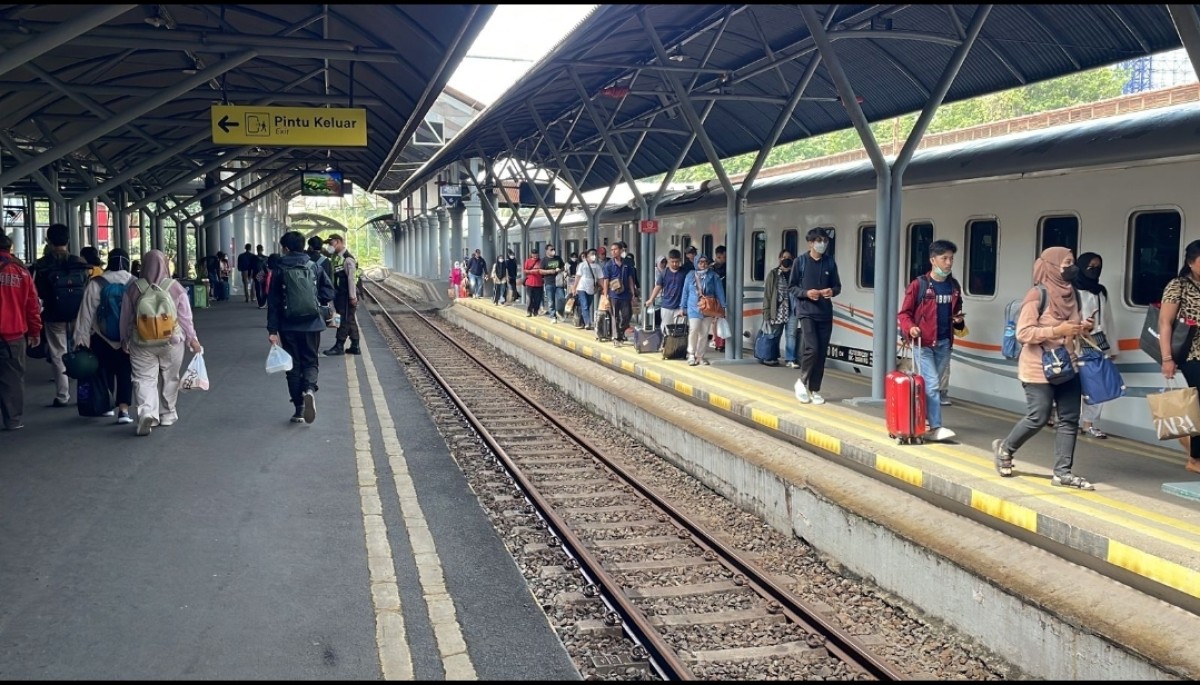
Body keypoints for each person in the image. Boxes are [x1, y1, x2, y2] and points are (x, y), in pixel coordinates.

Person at [992, 246, 1094, 489]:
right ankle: (1005, 448)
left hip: (1067, 366)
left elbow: (1072, 327)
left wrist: (1083, 328)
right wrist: (1057, 331)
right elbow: (1024, 333)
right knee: (1039, 416)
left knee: (1069, 419)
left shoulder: (1074, 294)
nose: (1072, 268)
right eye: (1066, 263)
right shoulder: (1037, 295)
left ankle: (1063, 473)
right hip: (1038, 368)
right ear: (1051, 266)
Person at [120, 249, 202, 437]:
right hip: (171, 341)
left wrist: (125, 339)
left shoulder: (134, 288)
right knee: (170, 377)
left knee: (143, 378)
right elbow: (185, 318)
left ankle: (147, 412)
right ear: (165, 264)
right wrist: (193, 339)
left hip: (141, 341)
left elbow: (125, 318)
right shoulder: (175, 287)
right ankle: (168, 414)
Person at [897, 239, 964, 443]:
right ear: (932, 260)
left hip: (944, 343)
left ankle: (921, 420)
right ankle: (935, 426)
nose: (949, 263)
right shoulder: (919, 285)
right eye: (944, 258)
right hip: (923, 344)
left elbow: (956, 311)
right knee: (933, 384)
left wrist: (959, 321)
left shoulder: (953, 286)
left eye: (951, 258)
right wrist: (911, 328)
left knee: (934, 385)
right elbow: (904, 314)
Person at [268, 231, 336, 424]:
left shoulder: (279, 268)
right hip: (313, 324)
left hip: (287, 325)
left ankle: (298, 408)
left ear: (286, 248)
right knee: (310, 361)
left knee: (292, 365)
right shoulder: (313, 266)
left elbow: (273, 301)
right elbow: (328, 291)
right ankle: (309, 389)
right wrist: (315, 301)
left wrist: (272, 331)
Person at [73, 248, 135, 424]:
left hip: (101, 337)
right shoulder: (134, 282)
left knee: (103, 370)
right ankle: (123, 411)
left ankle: (106, 406)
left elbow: (85, 314)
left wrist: (81, 340)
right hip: (126, 338)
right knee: (125, 372)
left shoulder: (96, 283)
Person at [33, 223, 90, 408]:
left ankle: (62, 395)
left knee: (58, 353)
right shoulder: (80, 263)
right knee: (81, 350)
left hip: (53, 314)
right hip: (77, 313)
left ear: (48, 241)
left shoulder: (42, 265)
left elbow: (38, 293)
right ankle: (84, 393)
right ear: (68, 240)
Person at [1158, 240, 1200, 474]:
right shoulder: (1178, 285)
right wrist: (1167, 358)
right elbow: (1165, 322)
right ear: (1190, 263)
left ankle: (1190, 444)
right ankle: (1194, 459)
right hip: (1191, 353)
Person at [789, 228, 841, 405]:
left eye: (825, 240)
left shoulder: (830, 263)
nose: (822, 244)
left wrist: (831, 291)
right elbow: (792, 287)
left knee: (821, 353)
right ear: (810, 243)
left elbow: (837, 286)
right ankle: (802, 382)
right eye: (818, 240)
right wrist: (806, 293)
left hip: (825, 313)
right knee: (812, 348)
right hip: (806, 312)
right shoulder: (800, 262)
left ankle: (814, 389)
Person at [0, 233, 42, 430]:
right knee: (13, 378)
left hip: (12, 332)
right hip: (13, 334)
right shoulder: (21, 272)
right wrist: (35, 331)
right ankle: (12, 420)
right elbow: (32, 305)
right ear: (9, 248)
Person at [1074, 251, 1117, 439]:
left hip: (1097, 342)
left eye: (1098, 266)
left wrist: (1112, 348)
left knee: (1096, 383)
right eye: (1090, 266)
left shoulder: (1101, 291)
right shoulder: (1072, 290)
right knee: (1071, 381)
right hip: (1076, 341)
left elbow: (1108, 320)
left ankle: (1088, 424)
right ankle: (1061, 417)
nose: (1094, 270)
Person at [680, 254, 727, 366]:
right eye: (700, 262)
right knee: (694, 330)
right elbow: (685, 292)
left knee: (704, 333)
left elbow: (719, 292)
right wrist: (682, 307)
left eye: (705, 262)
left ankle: (700, 356)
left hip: (708, 308)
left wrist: (723, 307)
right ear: (696, 263)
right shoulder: (690, 275)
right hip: (693, 307)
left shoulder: (713, 276)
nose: (703, 264)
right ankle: (691, 354)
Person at [323, 233, 361, 356]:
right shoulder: (336, 257)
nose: (330, 246)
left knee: (343, 320)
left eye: (331, 243)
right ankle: (355, 345)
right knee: (350, 319)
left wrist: (352, 296)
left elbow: (351, 279)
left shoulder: (347, 258)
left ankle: (339, 346)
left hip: (346, 295)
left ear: (339, 242)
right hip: (340, 294)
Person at [601, 241, 639, 347]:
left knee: (627, 315)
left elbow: (631, 279)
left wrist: (633, 294)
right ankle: (616, 338)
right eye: (612, 250)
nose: (613, 252)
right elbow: (606, 281)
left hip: (626, 294)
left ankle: (621, 332)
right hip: (613, 295)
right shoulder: (608, 265)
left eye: (615, 249)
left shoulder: (627, 263)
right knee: (615, 317)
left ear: (621, 250)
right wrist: (605, 296)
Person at [762, 250, 793, 367]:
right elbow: (768, 295)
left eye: (789, 257)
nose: (786, 259)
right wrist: (766, 312)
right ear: (779, 258)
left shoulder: (794, 274)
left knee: (791, 335)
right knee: (774, 334)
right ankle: (770, 357)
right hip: (777, 310)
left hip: (790, 310)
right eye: (784, 257)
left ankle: (790, 359)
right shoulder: (773, 274)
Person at [644, 250, 686, 336]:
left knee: (679, 329)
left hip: (680, 306)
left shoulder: (684, 273)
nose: (675, 264)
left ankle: (678, 347)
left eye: (677, 262)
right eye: (672, 262)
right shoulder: (664, 273)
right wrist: (651, 299)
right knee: (665, 328)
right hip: (666, 306)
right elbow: (658, 286)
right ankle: (665, 345)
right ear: (669, 260)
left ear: (680, 260)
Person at [572, 248, 602, 329]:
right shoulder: (582, 265)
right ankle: (588, 323)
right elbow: (577, 277)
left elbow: (600, 279)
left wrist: (604, 289)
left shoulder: (597, 266)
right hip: (581, 288)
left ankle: (581, 322)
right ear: (587, 256)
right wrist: (574, 288)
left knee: (587, 306)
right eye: (592, 254)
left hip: (591, 289)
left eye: (595, 254)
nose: (594, 256)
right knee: (585, 305)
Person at [540, 244, 566, 323]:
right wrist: (550, 271)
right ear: (547, 250)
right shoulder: (544, 260)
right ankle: (553, 316)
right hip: (549, 282)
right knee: (551, 301)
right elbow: (541, 271)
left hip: (558, 282)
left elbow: (563, 267)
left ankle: (559, 312)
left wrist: (560, 269)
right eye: (551, 249)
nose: (553, 251)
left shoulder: (558, 258)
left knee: (562, 298)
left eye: (553, 249)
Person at [712, 245, 728, 353]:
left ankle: (721, 342)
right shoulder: (712, 268)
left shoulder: (728, 266)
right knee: (716, 320)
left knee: (720, 319)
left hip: (725, 297)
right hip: (716, 297)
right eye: (720, 257)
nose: (722, 259)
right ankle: (717, 341)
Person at [522, 247, 544, 317]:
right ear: (531, 254)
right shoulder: (528, 261)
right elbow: (525, 270)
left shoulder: (541, 261)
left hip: (539, 283)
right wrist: (532, 271)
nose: (535, 256)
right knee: (529, 298)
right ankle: (529, 311)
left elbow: (544, 271)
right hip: (530, 283)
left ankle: (536, 311)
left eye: (536, 254)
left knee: (538, 299)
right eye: (534, 254)